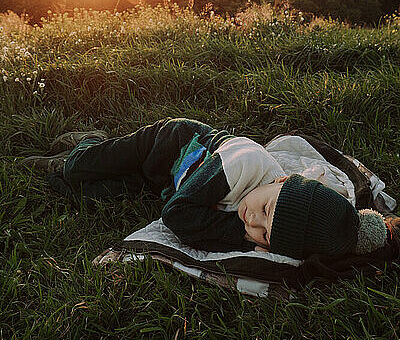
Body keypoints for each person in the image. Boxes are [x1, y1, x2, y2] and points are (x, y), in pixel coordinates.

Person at [19, 116, 390, 260]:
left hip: (167, 182)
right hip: (169, 145)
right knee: (88, 166)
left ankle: (70, 164)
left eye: (263, 235)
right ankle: (83, 145)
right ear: (280, 181)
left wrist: (259, 239)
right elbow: (178, 215)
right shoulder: (246, 163)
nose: (253, 221)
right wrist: (240, 237)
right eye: (267, 210)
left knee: (84, 195)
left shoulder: (267, 210)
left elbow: (181, 207)